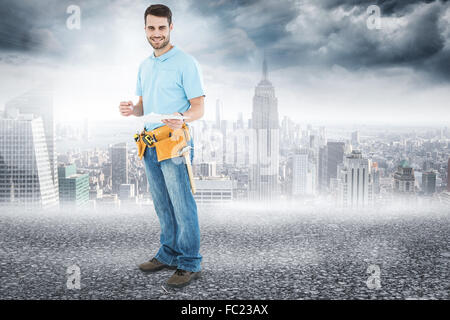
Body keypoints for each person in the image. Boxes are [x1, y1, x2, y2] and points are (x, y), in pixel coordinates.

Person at [118, 4, 205, 288]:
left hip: (174, 143)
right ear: (145, 29)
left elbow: (198, 108)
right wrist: (133, 109)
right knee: (162, 205)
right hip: (149, 143)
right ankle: (168, 254)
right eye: (151, 28)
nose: (157, 33)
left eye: (162, 28)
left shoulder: (186, 63)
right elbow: (145, 106)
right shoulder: (144, 65)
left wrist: (183, 117)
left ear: (171, 28)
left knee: (182, 205)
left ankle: (189, 262)